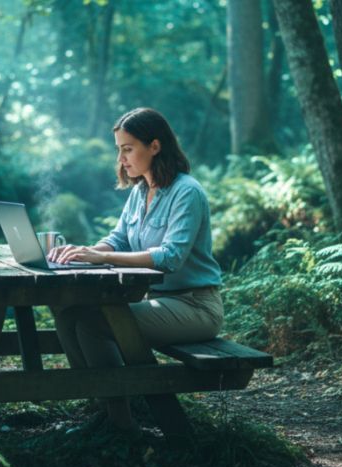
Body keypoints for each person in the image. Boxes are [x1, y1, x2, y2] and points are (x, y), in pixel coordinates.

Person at [47, 107, 224, 374]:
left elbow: (170, 257)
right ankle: (101, 401)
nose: (120, 158)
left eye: (127, 149)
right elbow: (118, 240)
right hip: (156, 301)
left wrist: (102, 258)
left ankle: (122, 407)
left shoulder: (187, 192)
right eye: (119, 149)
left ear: (154, 146)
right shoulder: (140, 191)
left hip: (195, 307)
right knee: (67, 316)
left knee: (90, 322)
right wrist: (83, 252)